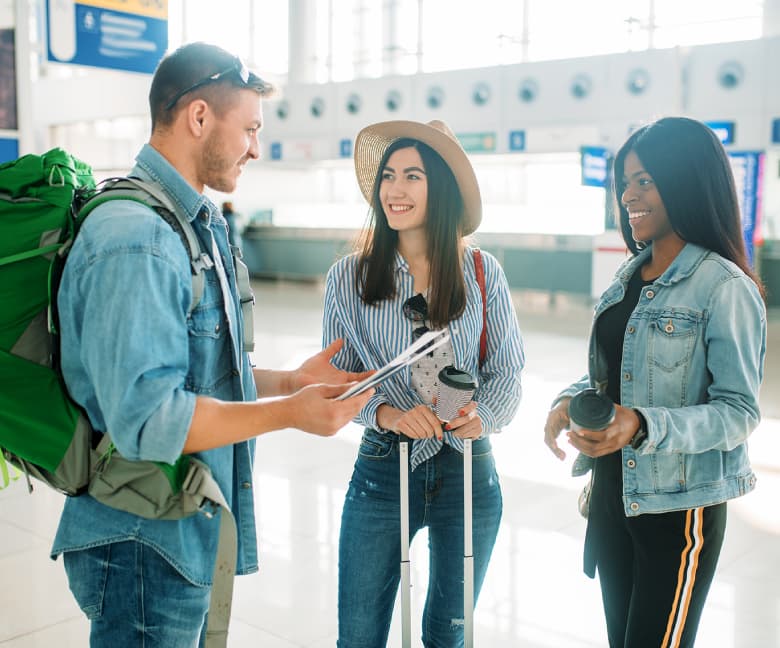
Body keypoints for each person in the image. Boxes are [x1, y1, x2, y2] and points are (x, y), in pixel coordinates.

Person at [50, 42, 374, 647]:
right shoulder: (137, 238)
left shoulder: (189, 223)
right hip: (142, 547)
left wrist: (287, 382)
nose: (256, 146)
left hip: (182, 531)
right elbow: (149, 420)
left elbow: (197, 370)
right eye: (249, 128)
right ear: (199, 117)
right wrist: (288, 415)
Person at [543, 116, 767, 648]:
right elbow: (612, 374)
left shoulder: (723, 287)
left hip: (677, 512)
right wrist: (570, 398)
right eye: (626, 181)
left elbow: (738, 412)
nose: (629, 195)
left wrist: (641, 425)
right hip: (614, 498)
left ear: (688, 180)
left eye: (646, 180)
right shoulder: (629, 278)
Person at [323, 119, 524, 647]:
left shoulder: (482, 272)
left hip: (466, 466)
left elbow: (507, 371)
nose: (396, 189)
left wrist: (484, 415)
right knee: (359, 634)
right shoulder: (348, 276)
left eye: (413, 176)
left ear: (442, 190)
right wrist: (388, 414)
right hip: (384, 467)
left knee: (447, 635)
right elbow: (339, 380)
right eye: (389, 176)